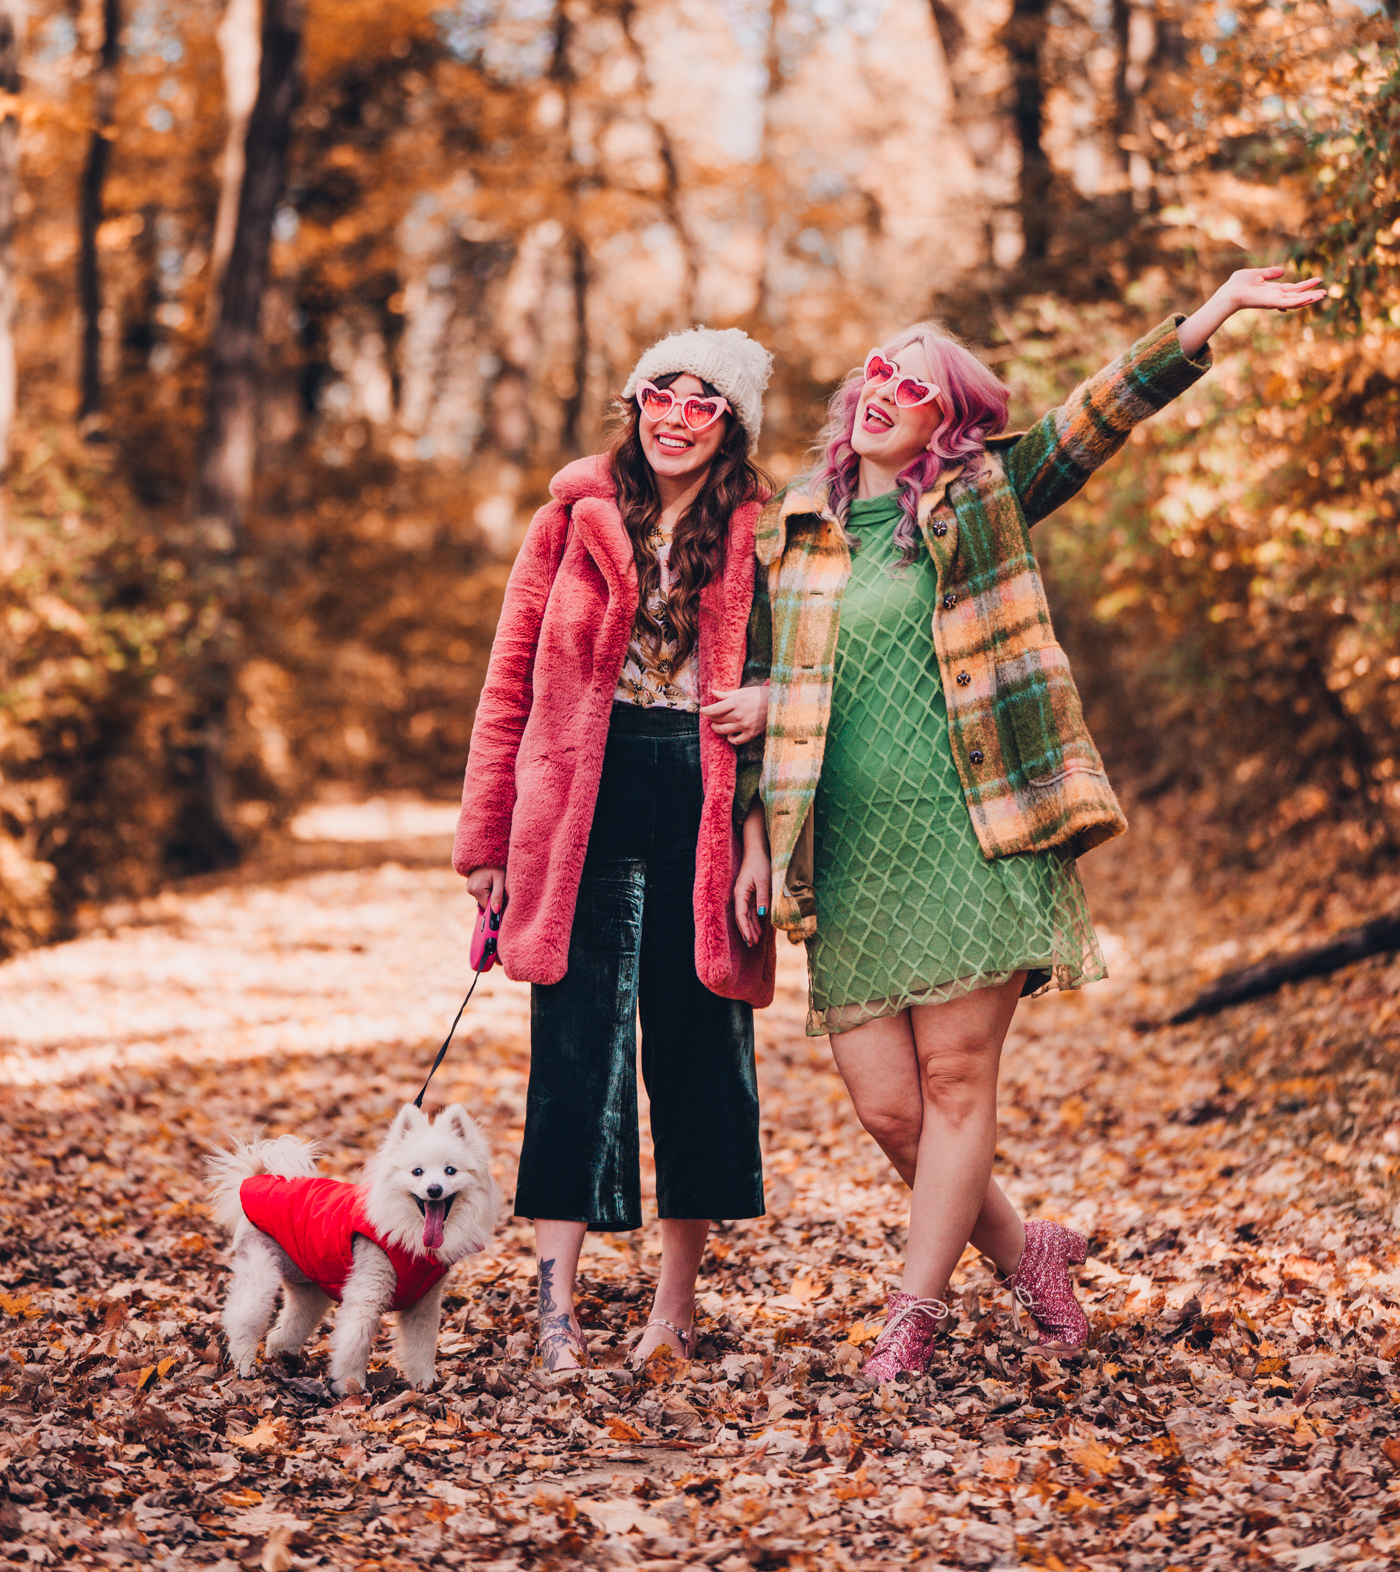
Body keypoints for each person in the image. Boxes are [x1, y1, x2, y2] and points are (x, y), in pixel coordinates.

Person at [734, 269, 1323, 1380]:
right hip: (849, 853)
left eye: (912, 383)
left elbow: (1095, 413)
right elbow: (760, 687)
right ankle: (1025, 1249)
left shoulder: (983, 499)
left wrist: (1211, 312)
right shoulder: (791, 535)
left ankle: (912, 1317)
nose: (883, 388)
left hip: (974, 833)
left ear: (943, 421)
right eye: (876, 368)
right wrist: (754, 835)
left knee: (955, 1086)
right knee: (886, 1107)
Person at [454, 327, 775, 1379]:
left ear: (730, 423)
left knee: (698, 1049)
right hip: (576, 807)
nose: (675, 416)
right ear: (633, 402)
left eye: (703, 402)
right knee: (575, 1050)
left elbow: (811, 667)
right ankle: (557, 1307)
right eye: (659, 394)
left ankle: (672, 1309)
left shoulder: (764, 534)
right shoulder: (565, 524)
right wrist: (487, 841)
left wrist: (766, 721)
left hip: (707, 799)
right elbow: (507, 687)